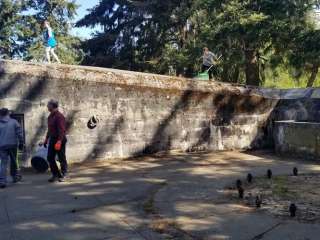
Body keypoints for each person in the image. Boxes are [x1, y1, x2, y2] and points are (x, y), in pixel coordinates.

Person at [42, 100, 68, 183]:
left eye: (48, 105)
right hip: (53, 139)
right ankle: (56, 174)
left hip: (60, 139)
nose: (47, 106)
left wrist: (59, 141)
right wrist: (46, 139)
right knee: (50, 157)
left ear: (53, 106)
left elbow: (62, 130)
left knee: (61, 158)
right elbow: (50, 129)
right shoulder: (50, 116)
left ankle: (64, 174)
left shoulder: (59, 116)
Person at [0, 108, 24, 188]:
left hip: (2, 145)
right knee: (13, 161)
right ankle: (14, 177)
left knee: (3, 163)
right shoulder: (14, 122)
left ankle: (2, 181)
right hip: (12, 144)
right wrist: (21, 142)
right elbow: (19, 133)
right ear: (8, 113)